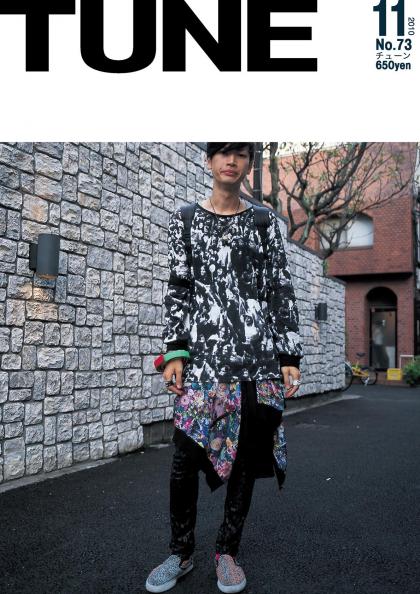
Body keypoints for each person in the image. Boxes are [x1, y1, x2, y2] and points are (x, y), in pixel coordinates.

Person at [146, 143, 303, 593]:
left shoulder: (265, 223)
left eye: (240, 154)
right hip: (204, 365)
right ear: (209, 161)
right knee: (184, 458)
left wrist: (288, 356)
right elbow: (179, 287)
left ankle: (227, 552)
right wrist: (175, 352)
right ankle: (180, 552)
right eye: (222, 152)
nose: (231, 161)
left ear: (249, 164)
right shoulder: (185, 219)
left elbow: (279, 289)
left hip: (256, 362)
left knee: (246, 460)